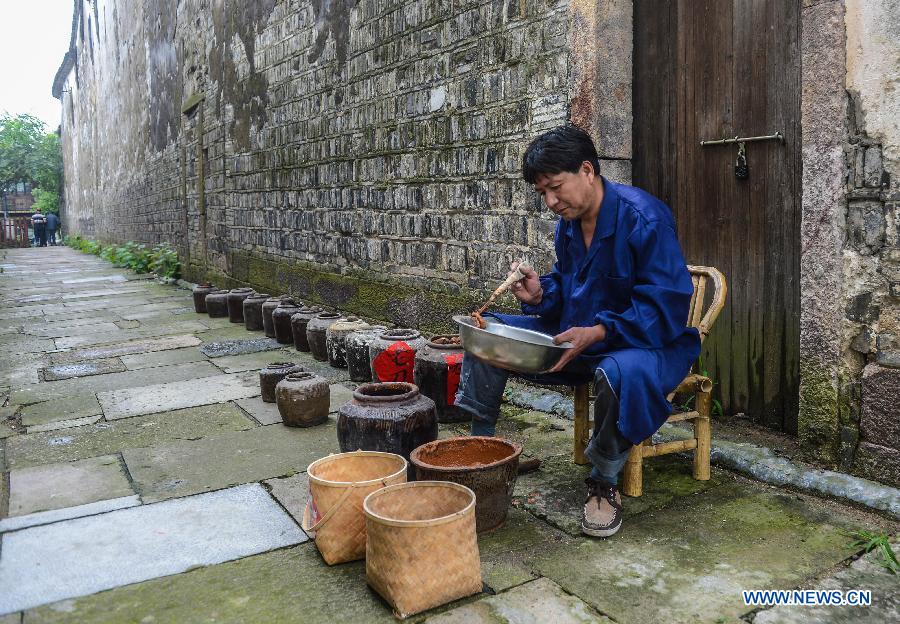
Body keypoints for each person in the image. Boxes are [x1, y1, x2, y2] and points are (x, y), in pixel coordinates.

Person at [455, 125, 699, 538]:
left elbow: (665, 306)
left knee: (622, 372)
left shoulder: (645, 217)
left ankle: (604, 481)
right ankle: (485, 453)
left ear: (587, 170)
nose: (551, 202)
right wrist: (539, 295)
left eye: (555, 188)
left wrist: (601, 331)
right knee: (487, 331)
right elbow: (569, 290)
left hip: (644, 344)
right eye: (542, 194)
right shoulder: (568, 224)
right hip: (581, 340)